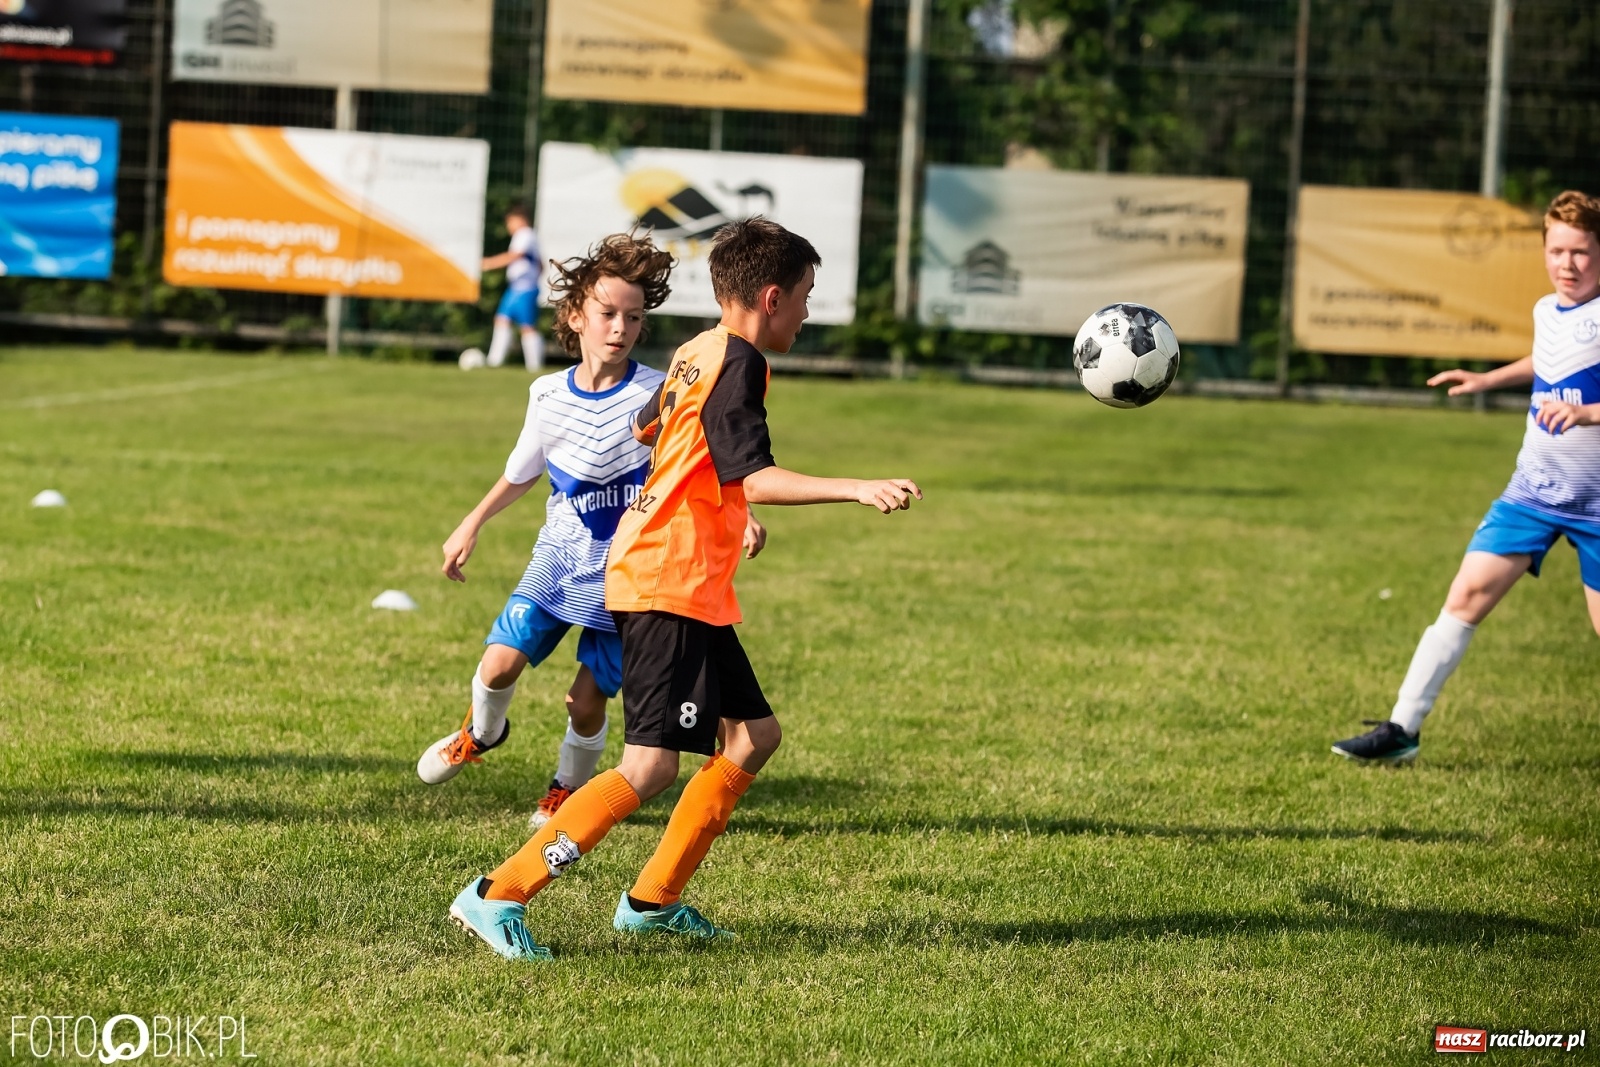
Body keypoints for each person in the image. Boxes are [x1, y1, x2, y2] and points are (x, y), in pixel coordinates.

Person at [446, 217, 923, 960]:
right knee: (650, 765)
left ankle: (652, 901)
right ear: (770, 297)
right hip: (665, 578)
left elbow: (648, 427)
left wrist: (710, 499)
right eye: (803, 297)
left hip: (678, 575)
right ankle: (498, 892)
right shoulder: (737, 362)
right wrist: (856, 487)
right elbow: (752, 472)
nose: (804, 312)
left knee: (754, 735)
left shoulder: (698, 349)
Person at [419, 232, 739, 831]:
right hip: (559, 559)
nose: (621, 327)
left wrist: (743, 516)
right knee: (496, 667)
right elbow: (521, 472)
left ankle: (566, 787)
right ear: (575, 315)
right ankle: (480, 733)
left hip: (629, 575)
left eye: (635, 317)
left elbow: (703, 461)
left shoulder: (658, 394)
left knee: (585, 701)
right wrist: (472, 522)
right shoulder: (546, 394)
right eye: (608, 313)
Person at [1333, 190, 1600, 764]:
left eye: (1580, 252)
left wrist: (1586, 413)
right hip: (1531, 493)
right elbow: (1548, 361)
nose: (1567, 264)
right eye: (1557, 251)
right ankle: (1402, 729)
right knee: (1466, 595)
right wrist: (1488, 380)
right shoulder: (1546, 310)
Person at [481, 204, 545, 371]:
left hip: (524, 288)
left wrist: (489, 263)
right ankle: (494, 361)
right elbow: (540, 264)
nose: (508, 226)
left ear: (520, 220)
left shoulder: (525, 234)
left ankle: (534, 366)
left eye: (510, 222)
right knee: (502, 320)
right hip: (516, 288)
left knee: (527, 326)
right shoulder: (527, 237)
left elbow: (516, 255)